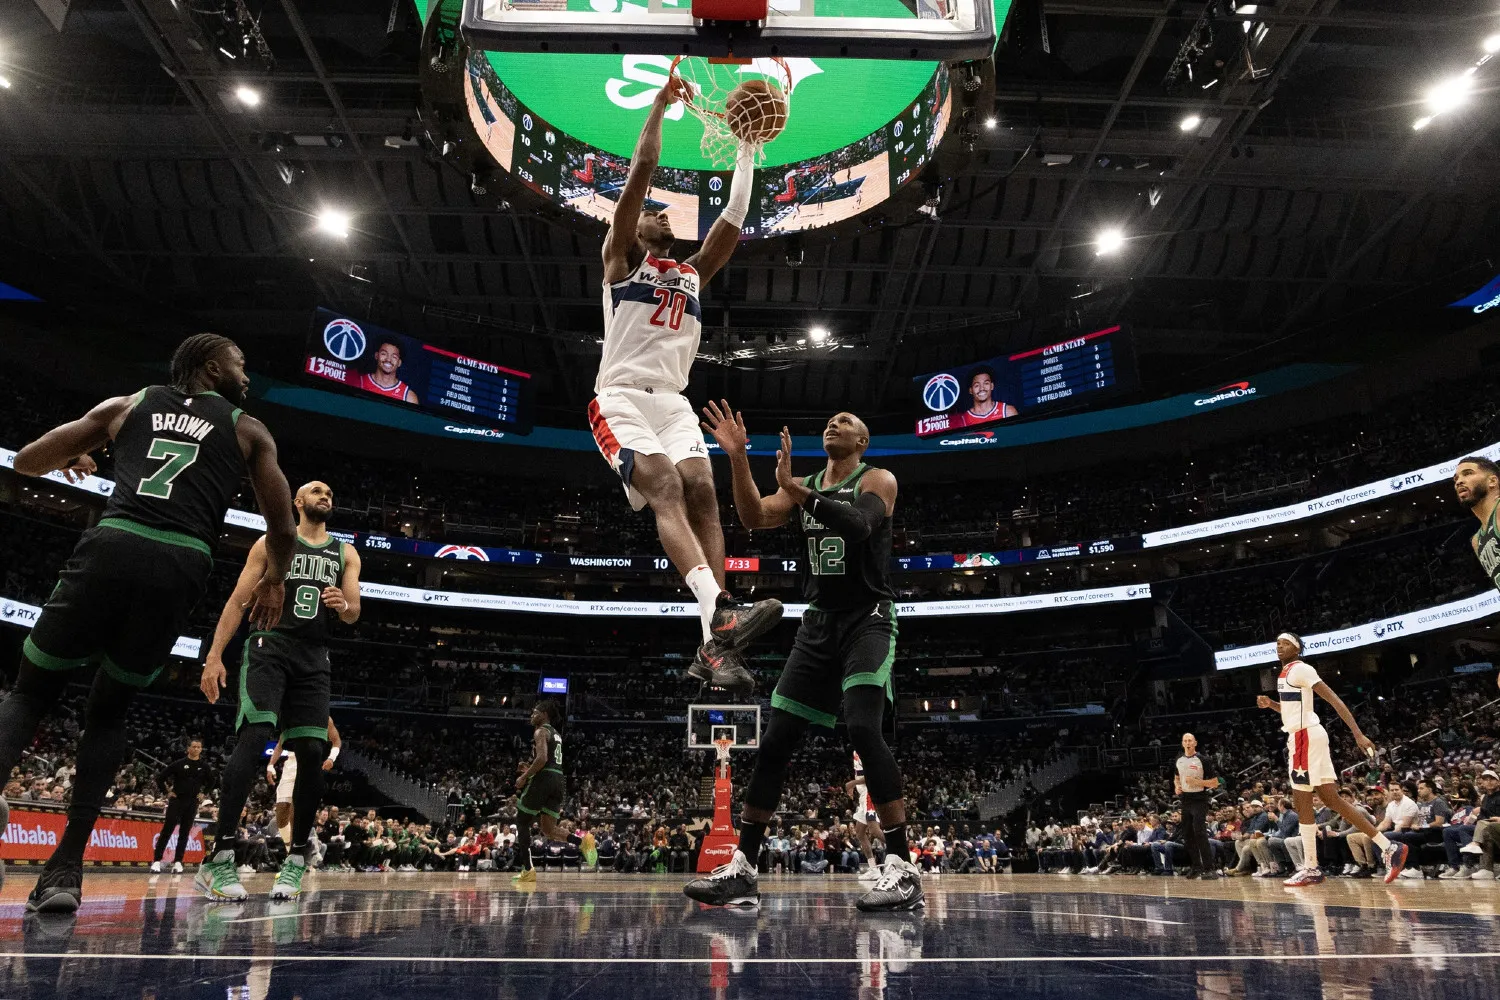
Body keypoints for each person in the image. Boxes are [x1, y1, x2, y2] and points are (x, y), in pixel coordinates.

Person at [0, 333, 295, 913]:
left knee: (30, 691)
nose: (248, 377)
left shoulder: (127, 406)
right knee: (108, 712)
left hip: (113, 544)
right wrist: (275, 577)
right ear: (213, 368)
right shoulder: (246, 428)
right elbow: (281, 529)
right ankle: (64, 872)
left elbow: (28, 459)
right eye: (241, 365)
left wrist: (78, 457)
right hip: (178, 566)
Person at [589, 75, 781, 693]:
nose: (658, 212)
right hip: (618, 395)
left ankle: (714, 644)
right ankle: (720, 609)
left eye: (663, 214)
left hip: (672, 400)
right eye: (650, 211)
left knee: (702, 485)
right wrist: (660, 105)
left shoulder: (694, 273)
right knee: (667, 484)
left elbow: (734, 215)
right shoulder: (621, 262)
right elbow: (643, 167)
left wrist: (748, 147)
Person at [687, 408, 921, 912]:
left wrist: (797, 492)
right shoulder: (805, 484)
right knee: (774, 742)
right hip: (818, 623)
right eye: (829, 422)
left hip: (868, 618)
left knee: (862, 727)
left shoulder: (878, 478)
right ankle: (744, 870)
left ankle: (902, 868)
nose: (833, 424)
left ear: (863, 439)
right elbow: (753, 516)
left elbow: (860, 525)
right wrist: (738, 459)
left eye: (845, 420)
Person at [196, 480, 362, 902]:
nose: (326, 495)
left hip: (313, 656)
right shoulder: (270, 543)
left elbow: (354, 613)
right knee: (253, 740)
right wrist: (214, 655)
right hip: (269, 646)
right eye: (317, 490)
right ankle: (220, 856)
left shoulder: (345, 552)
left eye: (330, 492)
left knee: (310, 751)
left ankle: (295, 860)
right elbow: (237, 601)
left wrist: (344, 605)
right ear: (297, 501)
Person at [1255, 632, 1408, 886]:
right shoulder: (1285, 674)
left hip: (1305, 738)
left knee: (1301, 800)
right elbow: (1294, 710)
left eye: (1285, 643)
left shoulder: (1301, 668)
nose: (1279, 646)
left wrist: (1358, 733)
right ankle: (1389, 846)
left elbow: (1334, 699)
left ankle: (1312, 867)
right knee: (1330, 799)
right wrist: (1272, 704)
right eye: (1277, 643)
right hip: (1304, 736)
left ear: (1297, 648)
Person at [512, 700, 593, 884]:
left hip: (545, 779)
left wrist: (524, 777)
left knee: (522, 821)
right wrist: (529, 769)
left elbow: (542, 759)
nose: (532, 716)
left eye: (535, 712)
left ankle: (527, 869)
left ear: (545, 714)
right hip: (558, 780)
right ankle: (583, 843)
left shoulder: (541, 731)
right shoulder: (557, 734)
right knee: (548, 829)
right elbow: (548, 762)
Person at [1455, 455, 1500, 692]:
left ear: (1493, 481)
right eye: (1456, 478)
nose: (1459, 481)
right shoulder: (1477, 540)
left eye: (1468, 473)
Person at [266, 717, 343, 845]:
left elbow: (336, 741)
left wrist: (331, 758)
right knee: (281, 813)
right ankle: (289, 848)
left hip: (309, 765)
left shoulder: (324, 717)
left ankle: (293, 853)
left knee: (295, 810)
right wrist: (270, 765)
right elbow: (280, 744)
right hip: (289, 767)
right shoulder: (294, 714)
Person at [151, 737, 214, 874]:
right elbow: (160, 777)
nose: (196, 749)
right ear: (188, 748)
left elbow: (212, 782)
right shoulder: (179, 764)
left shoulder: (204, 766)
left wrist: (204, 793)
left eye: (198, 747)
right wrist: (167, 792)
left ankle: (178, 862)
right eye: (194, 746)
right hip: (177, 800)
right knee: (167, 830)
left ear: (201, 749)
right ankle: (156, 860)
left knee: (184, 832)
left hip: (192, 802)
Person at [1174, 732, 1222, 879]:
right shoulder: (1179, 760)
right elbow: (1176, 777)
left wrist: (1197, 782)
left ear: (1195, 743)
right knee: (1187, 834)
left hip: (1200, 799)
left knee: (1200, 832)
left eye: (1190, 740)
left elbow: (1215, 782)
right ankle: (1196, 866)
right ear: (1182, 743)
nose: (1188, 743)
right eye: (1185, 740)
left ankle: (1209, 868)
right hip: (1185, 800)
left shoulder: (1203, 760)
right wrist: (1177, 786)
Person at [843, 752, 882, 882]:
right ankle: (873, 870)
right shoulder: (856, 750)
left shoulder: (866, 747)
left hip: (869, 793)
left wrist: (852, 783)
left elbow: (872, 776)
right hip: (863, 795)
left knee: (874, 830)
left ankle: (905, 855)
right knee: (860, 833)